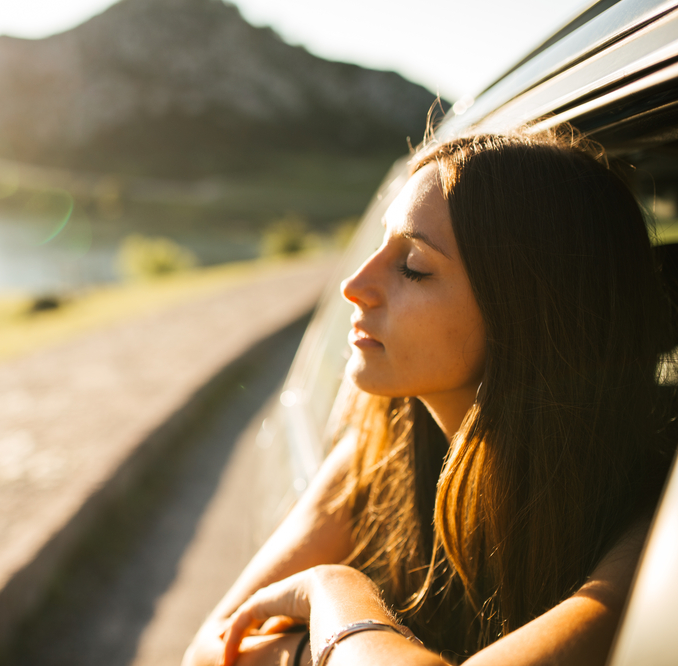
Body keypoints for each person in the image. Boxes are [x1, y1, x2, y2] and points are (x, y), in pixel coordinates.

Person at [182, 129, 678, 666]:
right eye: (379, 245)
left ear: (525, 314)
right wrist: (327, 649)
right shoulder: (382, 453)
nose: (353, 283)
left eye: (413, 266)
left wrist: (335, 596)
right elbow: (207, 652)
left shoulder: (653, 540)